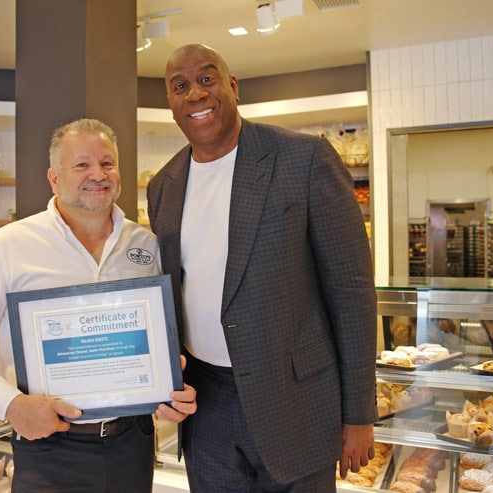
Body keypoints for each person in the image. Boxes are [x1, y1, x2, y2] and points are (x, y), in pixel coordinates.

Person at [147, 44, 377, 492]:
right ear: (171, 104)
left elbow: (351, 293)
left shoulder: (304, 159)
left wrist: (358, 415)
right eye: (180, 86)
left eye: (207, 79)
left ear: (232, 87)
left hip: (294, 401)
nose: (195, 93)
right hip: (205, 405)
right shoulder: (164, 186)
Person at [0, 118, 196, 492]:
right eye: (81, 165)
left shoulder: (146, 245)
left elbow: (162, 334)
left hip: (132, 443)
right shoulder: (9, 246)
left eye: (107, 163)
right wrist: (10, 405)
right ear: (54, 178)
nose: (97, 174)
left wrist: (170, 382)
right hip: (49, 447)